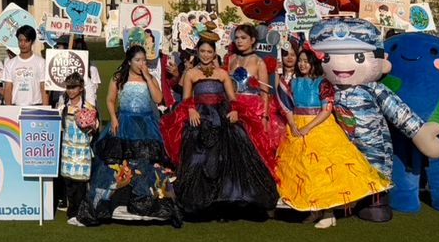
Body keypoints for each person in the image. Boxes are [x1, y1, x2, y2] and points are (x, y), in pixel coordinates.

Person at [273, 47, 389, 228]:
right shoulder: (293, 82)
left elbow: (327, 109)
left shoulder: (323, 82)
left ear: (314, 64)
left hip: (319, 128)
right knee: (304, 171)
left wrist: (308, 127)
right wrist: (294, 125)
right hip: (296, 126)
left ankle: (328, 212)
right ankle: (314, 209)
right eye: (300, 61)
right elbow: (287, 105)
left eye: (306, 61)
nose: (302, 64)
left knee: (326, 171)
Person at [168, 35, 277, 218]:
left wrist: (234, 111)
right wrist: (191, 110)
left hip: (221, 114)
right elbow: (186, 99)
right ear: (197, 52)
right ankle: (201, 201)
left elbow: (232, 98)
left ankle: (228, 199)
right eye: (202, 51)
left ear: (214, 53)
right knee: (199, 156)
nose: (205, 55)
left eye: (209, 52)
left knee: (235, 149)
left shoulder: (222, 73)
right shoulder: (191, 73)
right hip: (201, 117)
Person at [78, 45, 180, 226]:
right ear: (129, 61)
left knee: (145, 161)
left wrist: (148, 76)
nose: (141, 64)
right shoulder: (119, 77)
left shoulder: (149, 78)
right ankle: (112, 202)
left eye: (144, 60)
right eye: (137, 60)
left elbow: (158, 99)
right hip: (124, 122)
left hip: (145, 124)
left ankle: (148, 200)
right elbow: (110, 99)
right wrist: (114, 118)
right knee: (118, 162)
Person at [225, 23, 284, 174]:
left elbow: (264, 93)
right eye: (237, 38)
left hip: (253, 110)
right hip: (232, 106)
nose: (239, 41)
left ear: (252, 40)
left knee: (254, 148)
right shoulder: (230, 59)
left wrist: (264, 117)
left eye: (243, 38)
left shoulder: (259, 62)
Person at [59, 72, 98, 225]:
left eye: (74, 87)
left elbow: (95, 128)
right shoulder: (62, 107)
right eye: (68, 87)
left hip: (82, 150)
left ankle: (81, 213)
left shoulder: (88, 107)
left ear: (81, 88)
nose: (70, 91)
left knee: (81, 185)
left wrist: (85, 121)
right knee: (69, 183)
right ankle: (72, 212)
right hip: (67, 150)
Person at [0, 26, 47, 107]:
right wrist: (8, 108)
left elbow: (44, 87)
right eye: (20, 40)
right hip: (15, 106)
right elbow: (8, 88)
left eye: (26, 41)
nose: (23, 44)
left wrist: (45, 109)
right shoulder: (10, 63)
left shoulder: (41, 62)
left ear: (32, 42)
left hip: (36, 106)